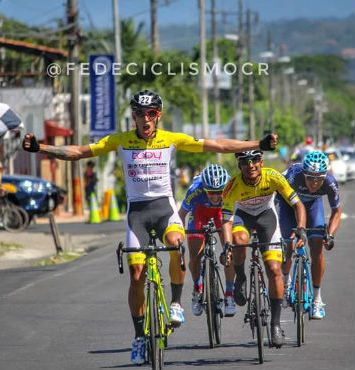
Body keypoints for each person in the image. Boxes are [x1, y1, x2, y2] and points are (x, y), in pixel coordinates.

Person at [22, 90, 278, 364]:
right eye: (140, 114)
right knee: (135, 274)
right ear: (133, 116)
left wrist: (258, 143)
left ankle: (177, 303)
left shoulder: (170, 140)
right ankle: (139, 337)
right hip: (137, 214)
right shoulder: (120, 140)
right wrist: (42, 148)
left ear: (158, 115)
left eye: (151, 113)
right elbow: (80, 152)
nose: (145, 118)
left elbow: (218, 145)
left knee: (178, 245)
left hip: (165, 210)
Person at [221, 150, 306, 347]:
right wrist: (227, 245)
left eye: (255, 160)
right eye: (245, 161)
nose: (251, 165)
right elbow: (225, 217)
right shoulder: (232, 185)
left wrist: (300, 228)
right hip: (243, 216)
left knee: (275, 269)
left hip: (267, 218)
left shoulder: (273, 177)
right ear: (239, 165)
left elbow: (297, 205)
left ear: (262, 161)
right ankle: (241, 276)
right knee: (239, 239)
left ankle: (275, 326)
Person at [278, 151, 341, 319]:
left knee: (317, 247)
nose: (314, 183)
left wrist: (331, 235)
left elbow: (336, 211)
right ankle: (286, 283)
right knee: (288, 244)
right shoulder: (292, 175)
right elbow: (274, 195)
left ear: (325, 176)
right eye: (310, 178)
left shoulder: (330, 182)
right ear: (303, 173)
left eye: (319, 178)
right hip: (289, 207)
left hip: (313, 207)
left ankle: (317, 299)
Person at [178, 164, 237, 318]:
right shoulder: (194, 190)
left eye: (219, 192)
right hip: (199, 212)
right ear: (204, 188)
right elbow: (181, 215)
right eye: (211, 192)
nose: (216, 197)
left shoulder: (231, 186)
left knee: (229, 254)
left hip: (221, 214)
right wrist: (177, 236)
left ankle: (229, 295)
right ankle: (197, 289)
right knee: (195, 257)